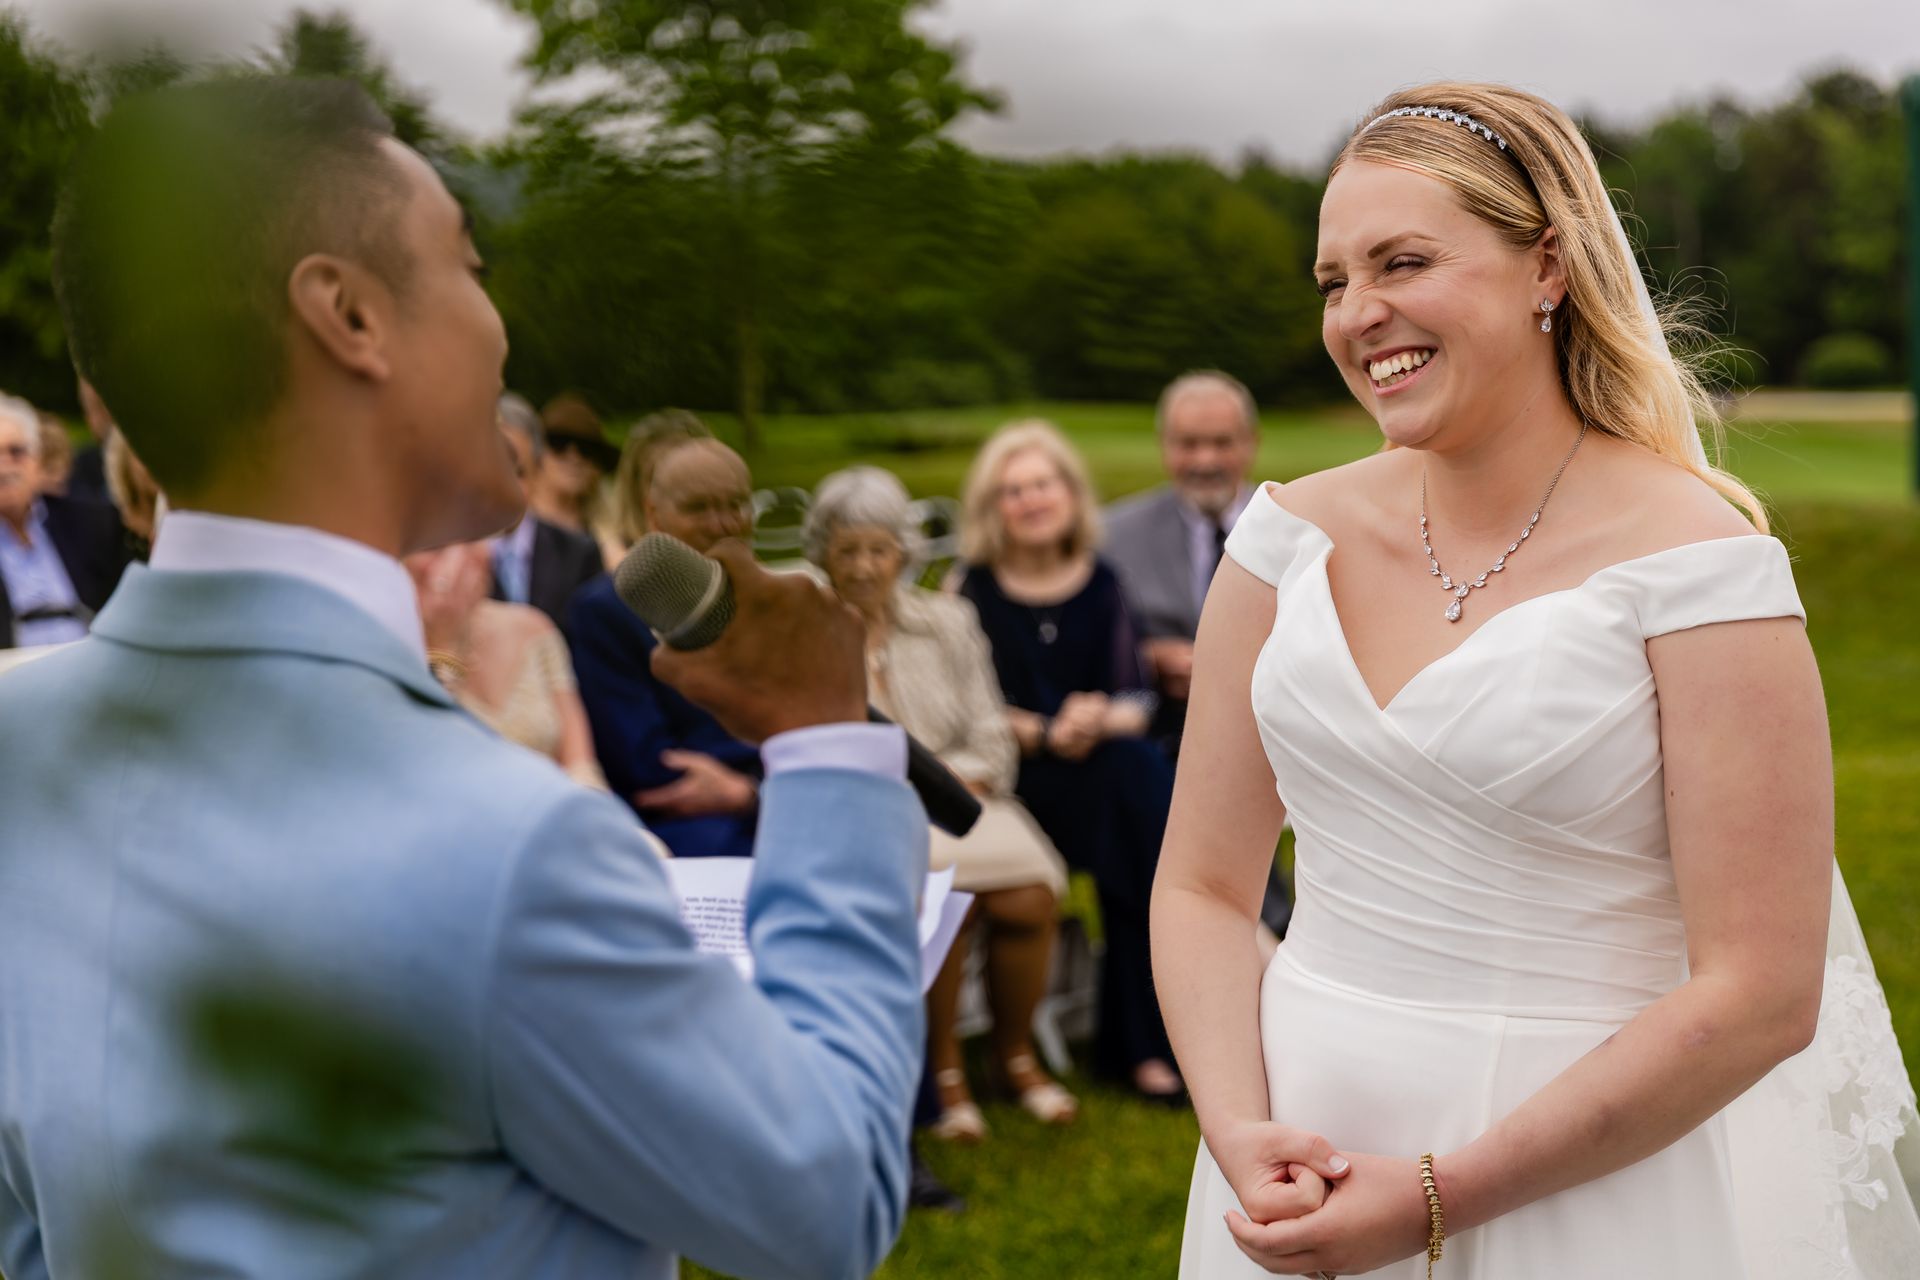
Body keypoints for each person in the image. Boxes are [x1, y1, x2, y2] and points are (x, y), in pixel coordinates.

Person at [2, 76, 930, 1280]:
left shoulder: (19, 742)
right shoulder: (513, 844)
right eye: (470, 266)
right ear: (349, 314)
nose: (499, 330)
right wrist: (827, 744)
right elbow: (831, 1194)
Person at [1159, 83, 1920, 1278]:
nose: (1359, 313)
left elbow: (1764, 989)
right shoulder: (1281, 542)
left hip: (1587, 1186)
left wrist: (1438, 1197)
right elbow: (1203, 884)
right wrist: (1237, 1124)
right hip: (1298, 1153)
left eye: (1403, 262)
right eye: (1333, 280)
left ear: (1548, 268)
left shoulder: (1702, 568)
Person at [807, 465, 1077, 1140]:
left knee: (1029, 897)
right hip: (868, 811)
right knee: (947, 899)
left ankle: (1013, 1055)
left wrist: (951, 779)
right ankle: (943, 1070)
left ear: (903, 552)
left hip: (963, 799)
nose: (864, 567)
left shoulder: (948, 622)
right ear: (822, 554)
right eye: (847, 550)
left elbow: (993, 736)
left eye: (879, 549)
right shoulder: (807, 631)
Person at [956, 420, 1184, 1104]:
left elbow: (1137, 698)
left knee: (1135, 780)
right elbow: (958, 710)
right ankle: (1143, 1046)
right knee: (1144, 810)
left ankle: (1142, 1039)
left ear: (1070, 493)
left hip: (1097, 773)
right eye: (1014, 490)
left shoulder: (1100, 580)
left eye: (1043, 484)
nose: (1031, 500)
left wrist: (1096, 716)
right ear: (993, 507)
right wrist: (1042, 730)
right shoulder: (970, 589)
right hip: (1013, 785)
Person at [1107, 370, 1292, 939]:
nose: (1205, 460)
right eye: (1188, 444)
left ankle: (1259, 926)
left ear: (1251, 443)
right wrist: (1148, 658)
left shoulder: (1297, 524)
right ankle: (1257, 926)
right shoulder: (1114, 534)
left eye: (1221, 443)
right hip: (1167, 729)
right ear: (1165, 446)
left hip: (1280, 723)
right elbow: (1095, 640)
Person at [569, 436, 764, 857]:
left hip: (773, 804)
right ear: (654, 515)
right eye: (699, 508)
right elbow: (645, 765)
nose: (722, 523)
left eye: (736, 505)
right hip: (683, 828)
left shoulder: (774, 603)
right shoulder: (608, 611)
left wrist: (749, 790)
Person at [407, 539, 608, 791]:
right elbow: (432, 764)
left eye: (471, 540)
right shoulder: (395, 647)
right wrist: (445, 645)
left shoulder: (532, 628)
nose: (456, 563)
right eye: (433, 547)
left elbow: (580, 761)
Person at [0, 391, 130, 650]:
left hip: (91, 660)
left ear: (38, 460)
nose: (5, 467)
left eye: (17, 452)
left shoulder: (92, 522)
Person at [490, 392, 605, 633]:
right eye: (492, 470)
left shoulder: (578, 554)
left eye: (518, 473)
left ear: (537, 473)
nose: (502, 487)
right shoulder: (441, 557)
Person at [535, 391, 622, 564]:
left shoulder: (610, 531)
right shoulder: (513, 523)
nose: (573, 457)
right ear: (537, 451)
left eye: (586, 449)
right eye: (559, 443)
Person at [609, 407, 712, 552]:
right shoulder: (612, 559)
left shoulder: (734, 557)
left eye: (687, 477)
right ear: (635, 488)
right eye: (656, 479)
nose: (675, 493)